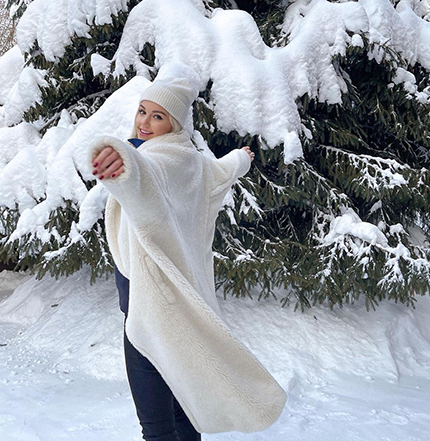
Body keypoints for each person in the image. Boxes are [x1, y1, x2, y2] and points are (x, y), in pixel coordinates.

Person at [89, 68, 286, 440]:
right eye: (142, 111)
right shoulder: (191, 160)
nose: (145, 122)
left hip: (151, 314)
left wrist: (123, 164)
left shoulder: (161, 160)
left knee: (158, 427)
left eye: (158, 116)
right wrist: (242, 158)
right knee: (184, 416)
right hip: (171, 307)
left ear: (175, 123)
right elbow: (222, 170)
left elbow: (144, 177)